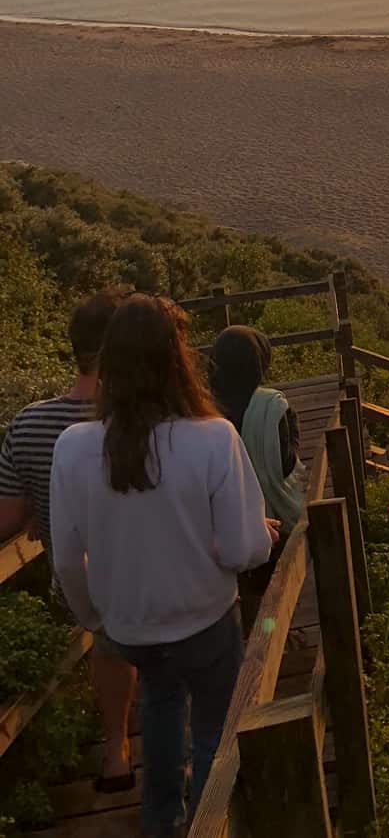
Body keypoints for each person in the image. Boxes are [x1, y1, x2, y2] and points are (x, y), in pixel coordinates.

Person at [50, 294, 274, 838]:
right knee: (213, 733)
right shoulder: (213, 438)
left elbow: (65, 557)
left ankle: (160, 821)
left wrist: (95, 617)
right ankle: (208, 820)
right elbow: (244, 550)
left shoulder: (75, 447)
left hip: (131, 628)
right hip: (206, 622)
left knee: (160, 703)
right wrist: (263, 536)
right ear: (178, 359)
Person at [0, 288, 138, 793]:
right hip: (148, 576)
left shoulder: (30, 421)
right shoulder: (139, 418)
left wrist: (42, 502)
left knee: (107, 632)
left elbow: (7, 517)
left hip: (76, 586)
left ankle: (116, 746)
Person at [208, 327, 304, 630]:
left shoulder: (203, 409)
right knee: (273, 584)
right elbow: (285, 466)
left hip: (219, 529)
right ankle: (273, 633)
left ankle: (251, 625)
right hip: (273, 520)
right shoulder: (272, 407)